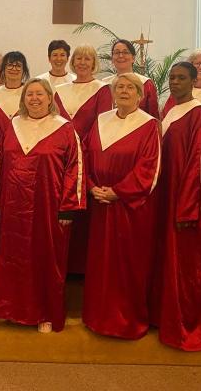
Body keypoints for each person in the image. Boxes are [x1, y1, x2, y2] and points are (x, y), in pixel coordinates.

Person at [0, 79, 84, 333]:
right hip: (14, 205)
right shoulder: (14, 125)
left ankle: (46, 313)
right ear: (23, 99)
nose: (34, 98)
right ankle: (13, 309)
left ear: (50, 98)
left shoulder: (64, 128)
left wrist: (68, 207)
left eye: (39, 94)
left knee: (46, 258)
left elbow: (74, 169)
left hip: (49, 206)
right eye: (29, 94)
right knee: (14, 257)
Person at [151, 62, 201, 351]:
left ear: (194, 81)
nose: (175, 82)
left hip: (186, 202)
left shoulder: (199, 115)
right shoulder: (170, 110)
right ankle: (166, 317)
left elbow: (200, 165)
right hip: (167, 197)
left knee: (187, 266)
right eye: (172, 77)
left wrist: (189, 208)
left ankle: (188, 326)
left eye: (182, 77)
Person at [82, 73, 161, 339]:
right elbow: (86, 155)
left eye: (130, 88)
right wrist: (92, 186)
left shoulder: (149, 125)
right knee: (100, 263)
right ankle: (98, 316)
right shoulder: (101, 120)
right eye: (120, 87)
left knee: (127, 263)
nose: (124, 91)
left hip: (130, 208)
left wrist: (118, 192)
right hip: (100, 204)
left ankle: (125, 320)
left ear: (140, 95)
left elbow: (149, 167)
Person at [53, 44, 111, 273]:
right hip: (62, 156)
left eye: (88, 58)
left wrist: (82, 147)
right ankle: (63, 263)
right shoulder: (60, 89)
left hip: (87, 155)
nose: (82, 62)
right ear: (72, 62)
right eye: (78, 58)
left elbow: (103, 122)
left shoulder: (102, 89)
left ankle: (81, 266)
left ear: (94, 63)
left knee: (82, 210)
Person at [101, 39, 159, 119]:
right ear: (112, 59)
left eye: (125, 52)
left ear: (133, 58)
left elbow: (153, 115)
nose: (121, 56)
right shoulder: (104, 84)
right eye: (117, 53)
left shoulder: (145, 83)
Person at [0, 51, 30, 143]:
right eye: (9, 65)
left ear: (24, 71)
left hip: (25, 150)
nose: (13, 68)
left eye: (18, 66)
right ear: (3, 69)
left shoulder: (30, 95)